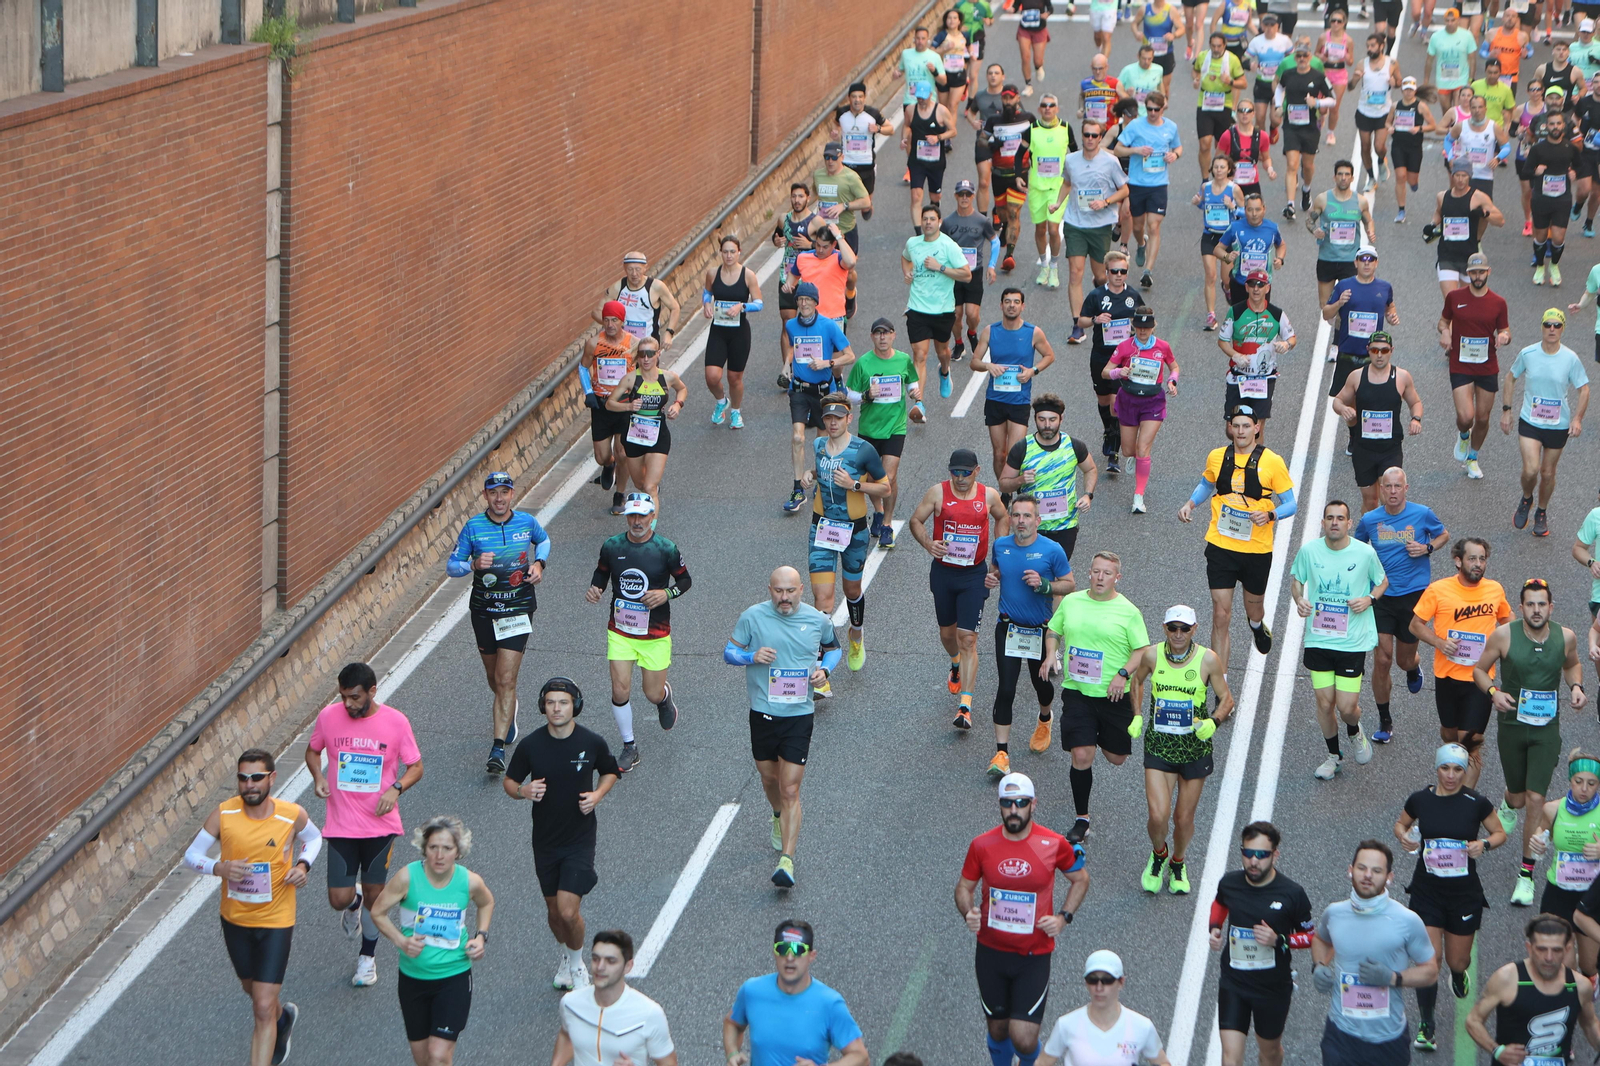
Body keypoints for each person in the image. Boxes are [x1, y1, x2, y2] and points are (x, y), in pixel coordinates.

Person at [183, 749, 320, 1066]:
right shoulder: (224, 814)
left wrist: (302, 866)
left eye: (257, 777)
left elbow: (314, 839)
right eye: (243, 778)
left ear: (272, 778)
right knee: (254, 990)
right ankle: (282, 1020)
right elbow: (192, 856)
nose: (249, 785)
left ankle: (268, 1040)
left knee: (260, 1006)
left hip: (276, 919)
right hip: (235, 920)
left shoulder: (290, 814)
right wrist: (219, 868)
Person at [957, 772, 1091, 1066]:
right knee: (998, 1028)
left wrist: (1063, 918)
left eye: (1021, 802)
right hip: (991, 953)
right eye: (1007, 803)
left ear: (1033, 804)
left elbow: (1080, 879)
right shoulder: (982, 845)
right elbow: (964, 888)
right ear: (1000, 805)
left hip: (1034, 955)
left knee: (1024, 1037)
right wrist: (969, 912)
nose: (1014, 809)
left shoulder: (1054, 843)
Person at [305, 662, 423, 988]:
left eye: (355, 697)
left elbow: (415, 766)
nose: (348, 704)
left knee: (377, 895)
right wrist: (317, 777)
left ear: (372, 691)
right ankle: (352, 902)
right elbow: (313, 751)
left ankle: (367, 959)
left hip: (380, 826)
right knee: (337, 899)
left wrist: (395, 789)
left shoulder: (396, 722)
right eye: (343, 697)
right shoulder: (329, 717)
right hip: (341, 824)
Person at [726, 567, 843, 888]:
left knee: (790, 788)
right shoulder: (752, 617)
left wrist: (825, 671)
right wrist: (751, 656)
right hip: (762, 712)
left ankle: (786, 861)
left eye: (790, 591)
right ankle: (777, 814)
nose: (784, 597)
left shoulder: (818, 621)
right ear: (770, 590)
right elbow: (729, 652)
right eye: (778, 591)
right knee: (769, 778)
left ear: (801, 590)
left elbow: (834, 650)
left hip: (799, 715)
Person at [1474, 578, 1588, 906]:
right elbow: (1479, 671)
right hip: (1511, 726)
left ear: (1551, 607)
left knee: (1536, 798)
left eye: (1542, 604)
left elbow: (1573, 664)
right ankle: (1509, 802)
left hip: (1545, 731)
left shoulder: (1565, 637)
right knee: (1520, 797)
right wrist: (1494, 693)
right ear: (1521, 607)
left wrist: (1576, 687)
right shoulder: (1504, 635)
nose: (1536, 610)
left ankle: (1526, 875)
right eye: (1530, 604)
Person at [502, 677, 619, 991]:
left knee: (569, 910)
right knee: (554, 914)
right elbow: (510, 782)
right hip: (545, 841)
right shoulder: (531, 745)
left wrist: (598, 795)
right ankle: (567, 956)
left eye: (563, 702)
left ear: (575, 706)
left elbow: (610, 771)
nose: (557, 708)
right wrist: (523, 791)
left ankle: (579, 964)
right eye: (551, 702)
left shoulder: (592, 742)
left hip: (579, 839)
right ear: (543, 706)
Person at [1392, 743, 1507, 1051]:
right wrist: (1403, 837)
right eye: (1446, 768)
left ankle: (1459, 975)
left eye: (1458, 769)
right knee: (1429, 960)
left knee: (1458, 960)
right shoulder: (1420, 799)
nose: (1452, 775)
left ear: (1465, 770)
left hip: (1463, 894)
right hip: (1426, 891)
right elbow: (1401, 824)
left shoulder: (1476, 802)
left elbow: (1499, 833)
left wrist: (1485, 844)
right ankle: (1426, 1024)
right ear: (1437, 768)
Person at [1042, 551, 1151, 844]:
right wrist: (1051, 653)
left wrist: (1123, 674)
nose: (1100, 577)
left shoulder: (1128, 611)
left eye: (1107, 573)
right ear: (1089, 573)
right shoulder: (1073, 602)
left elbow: (1142, 651)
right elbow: (1053, 629)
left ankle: (1097, 734)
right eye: (1096, 571)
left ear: (1118, 578)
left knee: (1117, 757)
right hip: (1078, 692)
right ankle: (1082, 818)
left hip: (1114, 696)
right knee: (1081, 754)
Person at [446, 470, 551, 774]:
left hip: (517, 609)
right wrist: (472, 564)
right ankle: (509, 708)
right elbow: (451, 566)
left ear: (512, 494)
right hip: (484, 612)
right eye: (494, 493)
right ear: (485, 496)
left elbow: (543, 541)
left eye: (504, 492)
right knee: (495, 680)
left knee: (506, 680)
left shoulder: (526, 523)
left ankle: (497, 749)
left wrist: (539, 563)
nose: (500, 498)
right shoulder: (473, 527)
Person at [369, 816, 493, 1066]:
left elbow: (486, 902)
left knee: (439, 1055)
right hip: (413, 979)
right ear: (424, 848)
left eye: (447, 848)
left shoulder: (469, 881)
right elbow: (377, 912)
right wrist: (401, 942)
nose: (439, 855)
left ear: (458, 851)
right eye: (433, 847)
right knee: (424, 1059)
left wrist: (481, 937)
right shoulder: (407, 877)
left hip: (454, 976)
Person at [1179, 406, 1295, 674]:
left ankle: (1256, 626)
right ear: (1230, 428)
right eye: (1236, 426)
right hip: (1221, 546)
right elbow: (1207, 484)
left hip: (1256, 550)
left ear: (1257, 428)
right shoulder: (1217, 457)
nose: (1240, 431)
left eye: (1246, 426)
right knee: (1221, 615)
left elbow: (1291, 504)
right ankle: (1221, 684)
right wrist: (1190, 503)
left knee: (1254, 609)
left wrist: (1270, 514)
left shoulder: (1273, 461)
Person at [1128, 604, 1233, 894]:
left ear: (1194, 630)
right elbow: (1136, 683)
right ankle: (1159, 854)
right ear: (1164, 628)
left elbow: (1226, 698)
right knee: (1158, 815)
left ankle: (1178, 861)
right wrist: (1137, 715)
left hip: (1194, 749)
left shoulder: (1208, 660)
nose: (1177, 634)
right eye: (1172, 628)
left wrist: (1215, 721)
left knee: (1183, 819)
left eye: (1184, 629)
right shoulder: (1151, 654)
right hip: (1159, 746)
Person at [585, 492, 691, 771]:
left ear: (652, 516)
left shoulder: (666, 548)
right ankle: (629, 746)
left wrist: (666, 593)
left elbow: (685, 581)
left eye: (642, 515)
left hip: (654, 634)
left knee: (651, 693)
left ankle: (664, 698)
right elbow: (602, 572)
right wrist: (596, 588)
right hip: (620, 631)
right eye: (631, 515)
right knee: (620, 689)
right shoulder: (612, 545)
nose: (636, 521)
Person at [1311, 840, 1438, 1066]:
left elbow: (1430, 972)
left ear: (1390, 876)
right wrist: (1319, 965)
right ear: (1350, 871)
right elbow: (1321, 939)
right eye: (1361, 868)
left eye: (1376, 871)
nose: (1367, 875)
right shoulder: (1334, 913)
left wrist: (1393, 978)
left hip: (1387, 1040)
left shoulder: (1407, 920)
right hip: (1340, 1034)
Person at [910, 448, 1009, 728]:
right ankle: (955, 663)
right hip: (944, 573)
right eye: (956, 472)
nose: (961, 478)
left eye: (966, 473)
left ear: (977, 471)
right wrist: (929, 543)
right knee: (948, 634)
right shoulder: (937, 493)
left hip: (973, 575)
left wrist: (997, 555)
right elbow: (915, 521)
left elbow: (1003, 517)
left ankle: (965, 706)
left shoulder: (988, 496)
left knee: (968, 638)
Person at [1292, 500, 1388, 780]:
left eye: (1341, 518)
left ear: (1349, 523)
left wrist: (1369, 599)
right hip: (1319, 640)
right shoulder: (1309, 551)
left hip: (1352, 642)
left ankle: (1355, 731)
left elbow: (1382, 582)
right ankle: (1334, 756)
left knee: (1347, 708)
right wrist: (1299, 600)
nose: (1335, 522)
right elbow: (1296, 579)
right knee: (1324, 704)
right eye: (1330, 518)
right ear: (1322, 522)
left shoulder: (1365, 552)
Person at [1352, 470, 1449, 744]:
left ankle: (1412, 667)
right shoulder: (1370, 520)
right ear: (1381, 489)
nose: (1393, 491)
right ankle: (1385, 720)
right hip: (1381, 596)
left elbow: (1443, 535)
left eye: (1398, 486)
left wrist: (1427, 548)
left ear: (1406, 488)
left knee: (1403, 659)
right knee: (1382, 660)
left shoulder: (1422, 513)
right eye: (1388, 487)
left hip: (1412, 596)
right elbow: (1357, 548)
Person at [1208, 822, 1316, 1066]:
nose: (1253, 861)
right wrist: (1214, 928)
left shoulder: (1292, 893)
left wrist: (1279, 940)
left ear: (1275, 855)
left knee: (1269, 1054)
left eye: (1261, 855)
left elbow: (1311, 937)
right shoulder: (1230, 883)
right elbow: (1220, 904)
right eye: (1247, 853)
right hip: (1234, 982)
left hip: (1272, 988)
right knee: (1230, 1058)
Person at [1409, 537, 1512, 789]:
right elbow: (1415, 625)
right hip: (1447, 677)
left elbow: (1509, 622)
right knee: (1450, 736)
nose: (1478, 564)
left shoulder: (1494, 590)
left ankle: (1462, 799)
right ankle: (1453, 778)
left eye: (1482, 559)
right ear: (1458, 561)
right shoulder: (1438, 590)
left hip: (1480, 679)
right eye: (1472, 558)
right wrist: (1439, 642)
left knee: (1471, 743)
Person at [985, 495, 1075, 771]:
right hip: (1008, 628)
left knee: (1042, 685)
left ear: (1038, 520)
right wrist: (991, 578)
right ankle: (1001, 754)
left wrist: (1045, 585)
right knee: (1006, 688)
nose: (1021, 521)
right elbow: (996, 571)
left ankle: (1045, 718)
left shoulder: (1052, 550)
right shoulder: (1000, 545)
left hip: (1040, 631)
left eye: (1027, 516)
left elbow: (1069, 584)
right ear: (1010, 519)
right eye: (1016, 516)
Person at [805, 394, 887, 686]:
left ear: (849, 419)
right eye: (828, 418)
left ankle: (856, 633)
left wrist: (854, 485)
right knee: (822, 600)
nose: (832, 423)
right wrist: (808, 474)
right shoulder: (817, 445)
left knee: (851, 589)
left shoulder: (864, 450)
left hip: (853, 530)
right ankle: (820, 670)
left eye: (838, 418)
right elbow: (820, 471)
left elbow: (885, 488)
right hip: (822, 529)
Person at [723, 920, 869, 1066]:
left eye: (798, 950)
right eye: (783, 949)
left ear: (811, 956)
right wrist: (732, 1053)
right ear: (774, 953)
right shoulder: (752, 991)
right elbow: (732, 1023)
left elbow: (860, 1057)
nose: (790, 958)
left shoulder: (830, 1003)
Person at [1501, 308, 1590, 537]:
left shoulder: (1570, 358)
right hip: (1530, 421)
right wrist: (1507, 411)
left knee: (1548, 473)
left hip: (1557, 425)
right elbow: (1510, 377)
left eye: (1557, 325)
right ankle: (1526, 498)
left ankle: (1541, 511)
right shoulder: (1528, 353)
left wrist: (1577, 418)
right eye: (1548, 324)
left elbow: (1584, 389)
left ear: (1562, 329)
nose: (1552, 329)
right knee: (1531, 470)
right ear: (1541, 327)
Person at [1466, 915, 1600, 1065]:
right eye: (1542, 949)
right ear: (1529, 948)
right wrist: (1497, 1050)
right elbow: (1473, 1020)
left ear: (1567, 950)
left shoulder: (1579, 985)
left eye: (1556, 950)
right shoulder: (1507, 979)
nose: (1549, 957)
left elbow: (1590, 1024)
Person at [782, 280, 856, 512]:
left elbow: (850, 355)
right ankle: (797, 489)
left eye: (808, 300)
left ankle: (819, 480)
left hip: (824, 391)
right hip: (799, 390)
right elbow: (793, 346)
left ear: (815, 302)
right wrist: (786, 364)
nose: (804, 303)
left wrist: (828, 362)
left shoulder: (829, 326)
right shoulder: (791, 325)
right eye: (800, 300)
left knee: (821, 443)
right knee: (798, 438)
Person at [845, 319, 919, 550]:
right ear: (872, 337)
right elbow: (849, 395)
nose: (882, 337)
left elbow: (911, 382)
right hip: (869, 429)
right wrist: (867, 395)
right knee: (869, 478)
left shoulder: (903, 360)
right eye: (878, 334)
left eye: (886, 333)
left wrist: (915, 393)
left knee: (889, 476)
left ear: (894, 335)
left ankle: (887, 524)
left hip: (895, 428)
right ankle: (878, 511)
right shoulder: (863, 363)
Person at [971, 287, 1056, 486]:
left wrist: (1032, 371)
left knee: (1014, 453)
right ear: (1001, 305)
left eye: (1016, 302)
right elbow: (974, 362)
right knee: (999, 454)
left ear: (1022, 306)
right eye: (1008, 301)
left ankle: (1013, 486)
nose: (1012, 305)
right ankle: (1005, 491)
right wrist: (988, 365)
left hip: (1019, 401)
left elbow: (1050, 356)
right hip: (995, 400)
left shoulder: (1033, 332)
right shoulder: (990, 331)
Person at [553, 930, 677, 1066]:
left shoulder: (649, 1013)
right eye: (596, 959)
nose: (600, 967)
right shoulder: (570, 1003)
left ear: (628, 966)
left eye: (610, 961)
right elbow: (567, 1035)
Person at [998, 394, 1098, 561]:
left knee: (1057, 576)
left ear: (1061, 418)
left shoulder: (1074, 445)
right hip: (1031, 526)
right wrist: (1020, 480)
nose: (1047, 425)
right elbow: (1003, 485)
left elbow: (1091, 469)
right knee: (1032, 573)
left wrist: (1088, 495)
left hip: (1065, 526)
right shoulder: (1023, 447)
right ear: (1035, 419)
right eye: (1042, 419)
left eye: (1052, 420)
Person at [1330, 334, 1421, 515]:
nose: (1379, 355)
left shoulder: (1402, 376)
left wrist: (1416, 419)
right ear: (1368, 351)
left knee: (1389, 498)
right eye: (1374, 350)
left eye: (1384, 350)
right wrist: (1343, 409)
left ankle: (1387, 539)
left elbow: (1415, 403)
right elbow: (1338, 400)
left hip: (1390, 449)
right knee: (1370, 500)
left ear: (1391, 351)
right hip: (1363, 448)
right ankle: (1368, 538)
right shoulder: (1356, 377)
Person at [1529, 750, 1600, 974]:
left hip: (1591, 896)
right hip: (1558, 892)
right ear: (1570, 780)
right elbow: (1542, 835)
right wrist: (1538, 844)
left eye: (1592, 783)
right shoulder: (1553, 809)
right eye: (1579, 782)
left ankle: (1586, 996)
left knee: (1589, 967)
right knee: (1563, 968)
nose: (1584, 789)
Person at [1440, 252, 1510, 479]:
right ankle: (1463, 436)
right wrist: (1446, 333)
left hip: (1487, 366)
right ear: (1468, 274)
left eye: (1481, 272)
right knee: (1466, 417)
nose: (1477, 276)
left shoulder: (1498, 302)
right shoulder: (1455, 297)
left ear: (1488, 272)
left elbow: (1505, 330)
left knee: (1482, 418)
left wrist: (1504, 338)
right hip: (1460, 363)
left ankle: (1473, 458)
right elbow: (1443, 321)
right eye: (1473, 272)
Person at [1103, 305, 1179, 512]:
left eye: (1147, 327)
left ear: (1154, 326)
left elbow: (1174, 367)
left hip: (1153, 401)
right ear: (1134, 327)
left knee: (1143, 448)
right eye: (1139, 327)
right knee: (1129, 450)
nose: (1143, 331)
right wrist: (1119, 372)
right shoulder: (1125, 346)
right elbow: (1105, 371)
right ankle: (1135, 458)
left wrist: (1172, 381)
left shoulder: (1163, 346)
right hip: (1128, 399)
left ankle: (1138, 497)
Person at [1036, 950, 1170, 1066]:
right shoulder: (1066, 1025)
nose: (1099, 988)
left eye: (1107, 980)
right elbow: (1042, 1063)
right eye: (1092, 980)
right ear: (1086, 983)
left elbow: (1162, 1062)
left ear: (1121, 982)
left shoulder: (1142, 1026)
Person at [1057, 119, 1129, 332]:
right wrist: (1058, 203)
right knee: (1074, 272)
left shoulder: (1110, 161)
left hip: (1100, 225)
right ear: (1082, 136)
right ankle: (1078, 322)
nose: (1090, 139)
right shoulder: (1071, 160)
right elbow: (1067, 183)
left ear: (1100, 137)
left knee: (1100, 276)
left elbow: (1124, 190)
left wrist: (1106, 202)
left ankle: (1104, 300)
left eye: (1094, 136)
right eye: (1086, 135)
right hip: (1075, 223)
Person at [1074, 249, 1145, 466]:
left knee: (1116, 402)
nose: (1119, 275)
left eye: (1123, 271)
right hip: (1101, 355)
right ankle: (1108, 430)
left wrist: (1136, 329)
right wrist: (1096, 319)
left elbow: (1144, 320)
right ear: (1106, 272)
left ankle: (1113, 447)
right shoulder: (1097, 295)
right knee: (1103, 400)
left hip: (1124, 358)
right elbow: (1081, 321)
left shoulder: (1133, 296)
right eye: (1114, 271)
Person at [605, 338, 688, 517]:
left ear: (658, 354)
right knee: (640, 484)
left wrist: (678, 405)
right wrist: (628, 406)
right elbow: (609, 404)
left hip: (658, 437)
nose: (646, 358)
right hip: (634, 437)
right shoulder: (630, 379)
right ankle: (650, 492)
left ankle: (651, 532)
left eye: (650, 354)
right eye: (642, 354)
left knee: (650, 487)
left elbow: (682, 389)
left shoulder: (668, 377)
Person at [1112, 91, 1183, 290]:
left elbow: (1179, 148)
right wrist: (1136, 150)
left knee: (1153, 227)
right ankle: (1141, 244)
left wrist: (1174, 156)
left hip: (1159, 184)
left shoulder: (1171, 127)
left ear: (1162, 109)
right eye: (1149, 109)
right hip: (1137, 183)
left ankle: (1148, 272)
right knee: (1137, 227)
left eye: (1156, 110)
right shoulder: (1135, 126)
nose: (1152, 113)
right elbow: (1118, 149)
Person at [903, 204, 972, 406]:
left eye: (932, 219)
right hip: (917, 308)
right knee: (920, 355)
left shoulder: (948, 246)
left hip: (942, 310)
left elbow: (967, 274)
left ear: (939, 222)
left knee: (942, 352)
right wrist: (907, 272)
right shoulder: (913, 243)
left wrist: (940, 267)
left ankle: (944, 371)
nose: (928, 222)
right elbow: (905, 258)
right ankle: (919, 404)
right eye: (925, 219)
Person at [1321, 243, 1397, 417]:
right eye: (1363, 259)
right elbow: (1326, 314)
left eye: (1371, 259)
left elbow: (1389, 307)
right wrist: (1339, 303)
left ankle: (1358, 439)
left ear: (1376, 263)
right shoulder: (1344, 286)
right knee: (1348, 403)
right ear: (1356, 263)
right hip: (1348, 353)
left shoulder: (1384, 287)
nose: (1367, 263)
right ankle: (1354, 437)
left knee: (1370, 402)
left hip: (1374, 355)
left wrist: (1391, 316)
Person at [1217, 271, 1296, 435]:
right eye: (1252, 284)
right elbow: (1222, 341)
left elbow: (1292, 338)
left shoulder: (1276, 314)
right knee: (1232, 430)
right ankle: (1238, 456)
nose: (1256, 289)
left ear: (1267, 288)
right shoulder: (1235, 312)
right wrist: (1235, 355)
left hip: (1264, 378)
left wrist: (1286, 344)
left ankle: (1254, 460)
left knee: (1256, 429)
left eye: (1260, 285)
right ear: (1246, 287)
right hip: (1238, 377)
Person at [701, 237, 763, 430]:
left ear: (739, 252)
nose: (728, 255)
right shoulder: (713, 273)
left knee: (734, 378)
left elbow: (759, 303)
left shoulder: (748, 275)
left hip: (739, 333)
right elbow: (707, 292)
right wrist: (706, 304)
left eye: (732, 251)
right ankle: (721, 402)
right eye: (725, 251)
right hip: (718, 331)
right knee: (711, 376)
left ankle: (735, 411)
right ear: (720, 252)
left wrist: (742, 306)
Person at [579, 301, 635, 513]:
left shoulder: (633, 344)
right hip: (601, 406)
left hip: (623, 405)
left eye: (615, 320)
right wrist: (589, 393)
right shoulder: (593, 343)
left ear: (622, 321)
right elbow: (583, 368)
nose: (610, 324)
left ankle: (620, 495)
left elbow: (642, 371)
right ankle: (608, 465)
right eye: (607, 320)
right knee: (601, 456)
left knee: (622, 452)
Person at [1428, 159, 1503, 302]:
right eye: (1457, 175)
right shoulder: (1442, 196)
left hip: (1469, 257)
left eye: (1464, 175)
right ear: (1452, 176)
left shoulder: (1478, 197)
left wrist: (1484, 214)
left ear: (1470, 176)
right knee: (1452, 302)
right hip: (1447, 256)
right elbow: (1439, 212)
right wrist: (1432, 224)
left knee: (1468, 304)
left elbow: (1500, 220)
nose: (1461, 180)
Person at [1276, 43, 1335, 219]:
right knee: (1292, 164)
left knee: (1307, 166)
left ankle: (1306, 189)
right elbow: (1279, 89)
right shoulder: (1288, 74)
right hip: (1291, 126)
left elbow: (1332, 99)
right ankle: (1290, 205)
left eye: (1305, 56)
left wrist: (1317, 103)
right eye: (1299, 56)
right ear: (1295, 58)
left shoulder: (1318, 76)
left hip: (1310, 127)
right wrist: (1279, 105)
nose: (1302, 59)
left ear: (1310, 57)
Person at [1305, 161, 1376, 308]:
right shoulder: (1323, 199)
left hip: (1350, 261)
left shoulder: (1360, 202)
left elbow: (1368, 220)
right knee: (1325, 305)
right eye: (1340, 174)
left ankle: (1339, 331)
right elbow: (1309, 221)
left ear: (1352, 178)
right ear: (1334, 177)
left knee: (1348, 305)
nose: (1343, 178)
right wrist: (1314, 231)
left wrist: (1370, 231)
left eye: (1347, 175)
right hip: (1327, 259)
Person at [1025, 95, 1078, 289]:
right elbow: (1019, 155)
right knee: (1040, 229)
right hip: (1037, 187)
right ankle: (1044, 266)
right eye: (1044, 106)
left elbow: (1074, 152)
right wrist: (1019, 176)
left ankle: (1054, 267)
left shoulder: (1065, 128)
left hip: (1057, 187)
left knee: (1054, 229)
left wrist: (1074, 177)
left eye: (1052, 105)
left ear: (1057, 108)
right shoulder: (1032, 130)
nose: (1048, 108)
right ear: (1039, 109)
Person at [944, 180, 1000, 362]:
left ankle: (972, 333)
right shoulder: (947, 222)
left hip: (974, 272)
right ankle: (959, 343)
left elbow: (995, 241)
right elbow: (940, 245)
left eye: (968, 194)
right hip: (954, 274)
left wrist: (991, 265)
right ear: (955, 196)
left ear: (973, 197)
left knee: (972, 314)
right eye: (961, 194)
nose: (964, 198)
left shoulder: (982, 221)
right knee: (955, 315)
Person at [982, 86, 1036, 271]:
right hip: (998, 174)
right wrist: (992, 143)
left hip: (1019, 174)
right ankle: (1003, 223)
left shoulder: (1028, 119)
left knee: (1014, 213)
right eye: (1004, 98)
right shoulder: (993, 121)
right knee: (1003, 211)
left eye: (1010, 98)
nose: (1007, 102)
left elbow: (1036, 141)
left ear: (1017, 99)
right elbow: (982, 140)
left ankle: (1009, 255)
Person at [1527, 105, 1580, 285]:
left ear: (1563, 126)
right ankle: (1540, 266)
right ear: (1546, 126)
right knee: (1541, 236)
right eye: (1552, 124)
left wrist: (1575, 173)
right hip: (1541, 198)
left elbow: (1580, 166)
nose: (1555, 127)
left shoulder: (1570, 148)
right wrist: (1535, 171)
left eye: (1558, 123)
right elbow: (1525, 171)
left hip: (1562, 199)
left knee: (1558, 237)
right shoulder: (1538, 149)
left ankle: (1554, 266)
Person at [772, 183, 818, 390]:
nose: (797, 200)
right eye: (794, 196)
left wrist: (810, 246)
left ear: (808, 198)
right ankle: (787, 369)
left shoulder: (815, 222)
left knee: (811, 322)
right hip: (787, 276)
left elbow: (828, 245)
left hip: (808, 279)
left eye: (801, 196)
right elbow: (777, 236)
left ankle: (810, 365)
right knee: (787, 324)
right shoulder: (784, 218)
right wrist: (776, 240)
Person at [1195, 156, 1247, 331]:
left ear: (1229, 170)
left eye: (1222, 167)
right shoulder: (1206, 187)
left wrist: (1233, 207)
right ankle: (1211, 315)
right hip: (1209, 236)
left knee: (1226, 279)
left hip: (1228, 239)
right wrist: (1197, 203)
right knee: (1210, 275)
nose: (1218, 170)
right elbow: (1204, 205)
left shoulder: (1235, 189)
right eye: (1216, 167)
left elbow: (1247, 213)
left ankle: (1227, 288)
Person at [595, 252, 681, 350]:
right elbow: (596, 312)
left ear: (645, 268)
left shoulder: (656, 287)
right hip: (623, 345)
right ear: (624, 268)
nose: (634, 274)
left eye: (638, 269)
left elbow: (675, 308)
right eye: (630, 269)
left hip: (648, 345)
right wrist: (613, 325)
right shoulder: (617, 288)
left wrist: (669, 333)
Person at [1193, 33, 1248, 178]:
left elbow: (1243, 83)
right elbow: (1196, 70)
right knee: (1204, 144)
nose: (1216, 49)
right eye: (1213, 46)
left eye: (1219, 46)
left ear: (1224, 45)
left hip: (1224, 105)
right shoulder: (1203, 57)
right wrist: (1196, 79)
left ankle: (1222, 178)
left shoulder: (1232, 60)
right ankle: (1205, 180)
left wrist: (1230, 82)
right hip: (1205, 104)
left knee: (1222, 146)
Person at [904, 83, 957, 230]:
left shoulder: (941, 111)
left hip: (936, 162)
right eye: (918, 97)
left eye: (923, 97)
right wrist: (904, 138)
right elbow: (907, 125)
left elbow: (953, 131)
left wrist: (938, 137)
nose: (920, 100)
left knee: (935, 197)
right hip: (917, 161)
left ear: (930, 94)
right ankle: (918, 233)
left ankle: (934, 218)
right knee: (916, 196)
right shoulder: (910, 109)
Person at [1388, 78, 1438, 224]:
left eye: (1411, 89)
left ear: (1415, 90)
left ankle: (1414, 182)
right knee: (1400, 176)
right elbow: (1387, 121)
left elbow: (1433, 125)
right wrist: (1388, 127)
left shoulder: (1421, 107)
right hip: (1398, 145)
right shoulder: (1395, 106)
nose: (1408, 92)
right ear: (1402, 90)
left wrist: (1419, 128)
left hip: (1414, 147)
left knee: (1411, 179)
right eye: (1406, 89)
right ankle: (1401, 210)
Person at [832, 82, 883, 224]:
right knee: (844, 200)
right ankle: (846, 224)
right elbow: (836, 123)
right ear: (849, 98)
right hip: (847, 164)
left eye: (860, 97)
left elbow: (890, 129)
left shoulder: (872, 113)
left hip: (866, 165)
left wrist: (878, 128)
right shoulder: (842, 113)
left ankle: (867, 206)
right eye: (854, 97)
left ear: (865, 98)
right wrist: (836, 133)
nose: (857, 100)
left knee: (865, 203)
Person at [812, 142, 873, 255]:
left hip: (845, 230)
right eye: (827, 157)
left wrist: (844, 206)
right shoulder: (818, 175)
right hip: (824, 232)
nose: (830, 161)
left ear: (842, 157)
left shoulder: (851, 177)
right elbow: (815, 195)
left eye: (834, 157)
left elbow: (866, 202)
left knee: (848, 269)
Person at [1352, 34, 1398, 182]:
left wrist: (1394, 82)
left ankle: (1381, 159)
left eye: (1372, 45)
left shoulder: (1391, 63)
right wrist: (1355, 78)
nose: (1369, 49)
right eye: (1368, 46)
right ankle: (1371, 176)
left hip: (1383, 112)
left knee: (1379, 146)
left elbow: (1400, 82)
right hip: (1364, 111)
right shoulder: (1362, 64)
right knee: (1365, 147)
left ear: (1381, 46)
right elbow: (1350, 87)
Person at [968, 64, 1009, 215]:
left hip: (1004, 143)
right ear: (986, 76)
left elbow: (1020, 116)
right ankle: (982, 219)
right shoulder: (980, 96)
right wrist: (973, 122)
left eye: (997, 73)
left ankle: (997, 212)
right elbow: (971, 113)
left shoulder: (1008, 95)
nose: (993, 76)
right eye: (990, 73)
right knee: (984, 182)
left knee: (1001, 183)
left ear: (1002, 77)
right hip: (983, 142)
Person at [1216, 99, 1275, 204]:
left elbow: (1266, 158)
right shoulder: (1228, 135)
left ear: (1253, 114)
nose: (1244, 113)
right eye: (1241, 110)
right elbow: (1217, 160)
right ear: (1237, 114)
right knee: (1232, 215)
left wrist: (1270, 169)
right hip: (1232, 183)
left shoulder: (1262, 136)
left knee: (1253, 215)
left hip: (1252, 183)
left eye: (1248, 110)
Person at [1426, 8, 1479, 97]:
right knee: (1446, 110)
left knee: (1458, 108)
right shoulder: (1436, 37)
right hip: (1443, 80)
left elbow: (1472, 59)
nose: (1450, 23)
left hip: (1461, 79)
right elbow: (1429, 60)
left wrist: (1470, 79)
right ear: (1444, 21)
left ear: (1458, 20)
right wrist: (1426, 81)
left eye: (1453, 20)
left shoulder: (1467, 35)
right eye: (1447, 21)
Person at [1317, 14, 1355, 137]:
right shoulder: (1323, 37)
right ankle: (1321, 116)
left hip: (1339, 74)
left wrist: (1347, 57)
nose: (1336, 24)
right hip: (1324, 72)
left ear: (1344, 23)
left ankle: (1330, 132)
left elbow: (1350, 62)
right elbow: (1316, 54)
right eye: (1333, 21)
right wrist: (1322, 56)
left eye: (1339, 21)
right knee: (1322, 107)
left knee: (1334, 106)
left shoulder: (1348, 40)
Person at [934, 10, 971, 119]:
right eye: (949, 18)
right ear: (945, 21)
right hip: (943, 74)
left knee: (952, 106)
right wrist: (944, 48)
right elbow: (931, 52)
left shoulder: (965, 35)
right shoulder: (941, 35)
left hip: (959, 74)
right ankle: (943, 131)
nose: (952, 20)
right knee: (943, 107)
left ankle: (949, 134)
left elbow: (969, 48)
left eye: (955, 18)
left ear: (959, 21)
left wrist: (970, 57)